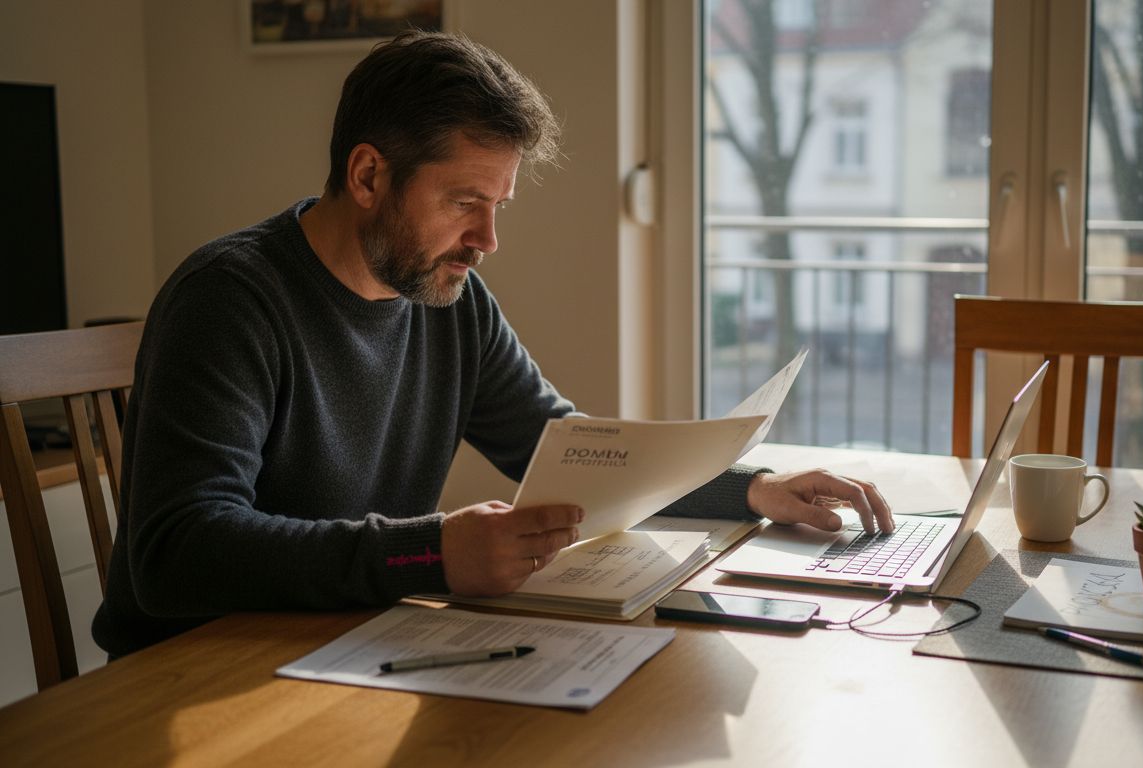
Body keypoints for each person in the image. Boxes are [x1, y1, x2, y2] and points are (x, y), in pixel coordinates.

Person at [93, 30, 891, 658]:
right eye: (465, 201)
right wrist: (428, 554)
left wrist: (751, 488)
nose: (487, 239)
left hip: (350, 643)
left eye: (500, 204)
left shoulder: (451, 301)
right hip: (200, 673)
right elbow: (175, 554)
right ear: (368, 176)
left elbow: (575, 452)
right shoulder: (230, 300)